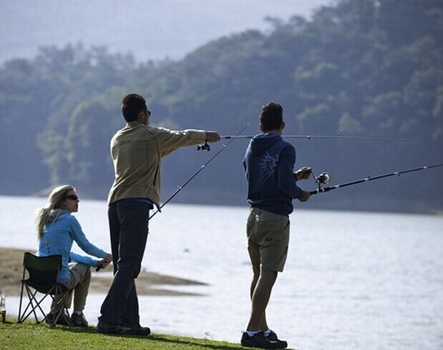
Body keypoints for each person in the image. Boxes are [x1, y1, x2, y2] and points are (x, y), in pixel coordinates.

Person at [97, 93, 221, 336]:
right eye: (149, 113)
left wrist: (176, 143)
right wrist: (206, 135)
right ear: (142, 114)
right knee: (130, 264)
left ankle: (129, 320)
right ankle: (108, 319)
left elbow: (158, 151)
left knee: (124, 266)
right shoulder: (150, 135)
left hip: (115, 204)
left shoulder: (117, 138)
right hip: (135, 204)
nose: (150, 117)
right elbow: (180, 136)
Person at [241, 102, 312, 349]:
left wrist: (293, 177)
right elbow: (283, 184)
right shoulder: (286, 148)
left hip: (254, 216)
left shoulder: (252, 145)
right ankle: (251, 332)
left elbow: (258, 175)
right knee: (268, 275)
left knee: (258, 274)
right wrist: (300, 192)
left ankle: (261, 328)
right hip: (274, 218)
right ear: (282, 125)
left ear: (261, 126)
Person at [35, 185, 112, 327]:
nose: (78, 200)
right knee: (82, 271)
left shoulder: (46, 220)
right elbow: (86, 246)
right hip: (57, 280)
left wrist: (95, 262)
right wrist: (107, 256)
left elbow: (66, 254)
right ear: (63, 202)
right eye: (73, 197)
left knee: (68, 270)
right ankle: (77, 315)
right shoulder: (69, 221)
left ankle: (56, 312)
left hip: (39, 278)